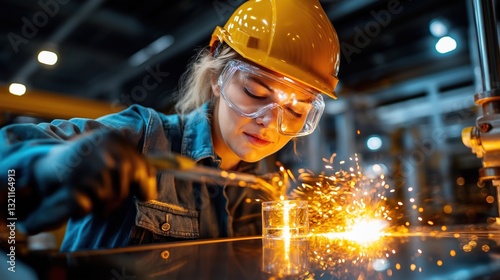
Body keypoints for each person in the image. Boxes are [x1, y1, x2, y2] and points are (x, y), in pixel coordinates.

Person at [0, 0, 340, 251]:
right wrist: (53, 165)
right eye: (255, 91)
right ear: (218, 77)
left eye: (295, 112)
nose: (270, 121)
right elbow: (7, 157)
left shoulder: (271, 190)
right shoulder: (143, 137)